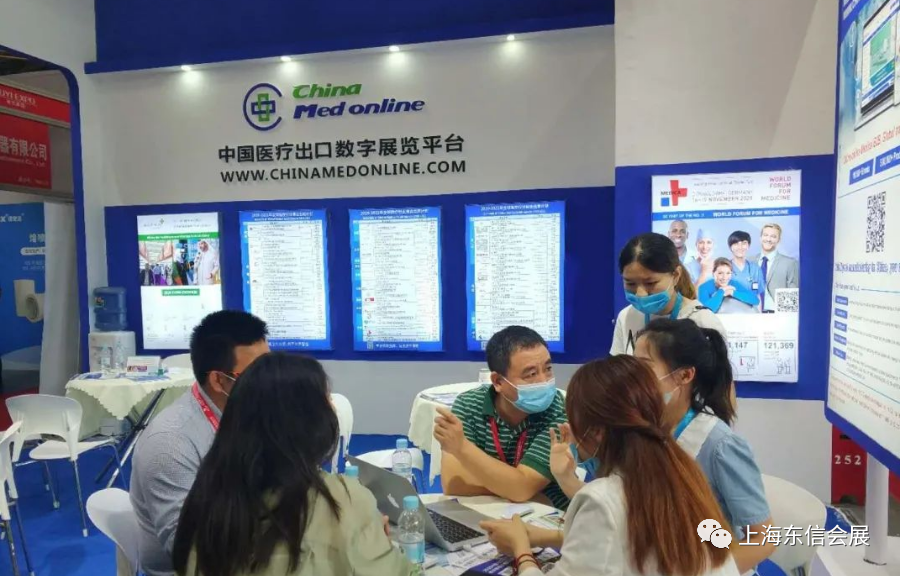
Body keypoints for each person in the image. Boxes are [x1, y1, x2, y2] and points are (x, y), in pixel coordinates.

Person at [480, 355, 739, 576]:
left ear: (596, 431)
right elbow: (629, 536)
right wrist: (546, 534)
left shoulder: (603, 498)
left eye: (573, 419)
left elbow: (612, 517)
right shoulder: (684, 474)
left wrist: (522, 551)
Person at [173, 353, 415, 576]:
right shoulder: (342, 501)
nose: (333, 408)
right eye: (327, 400)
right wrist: (375, 544)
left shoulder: (206, 499)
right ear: (310, 421)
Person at [131, 310, 270, 576]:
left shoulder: (248, 412)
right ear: (218, 380)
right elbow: (191, 551)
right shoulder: (170, 443)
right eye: (256, 373)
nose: (269, 380)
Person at [636, 319, 773, 572]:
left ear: (685, 376)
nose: (633, 379)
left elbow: (764, 539)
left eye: (644, 368)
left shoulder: (719, 445)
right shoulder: (646, 431)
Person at [434, 326, 570, 509]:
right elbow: (454, 484)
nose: (543, 380)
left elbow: (522, 488)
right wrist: (519, 490)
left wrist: (462, 448)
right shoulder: (468, 405)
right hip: (488, 512)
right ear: (498, 381)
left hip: (548, 515)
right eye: (531, 374)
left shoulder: (560, 411)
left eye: (548, 369)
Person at [611, 233, 725, 355]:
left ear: (675, 276)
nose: (640, 294)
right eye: (630, 283)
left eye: (650, 283)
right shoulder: (626, 317)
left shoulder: (703, 322)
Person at [755, 223, 799, 312]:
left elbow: (793, 293)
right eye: (765, 235)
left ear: (779, 240)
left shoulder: (790, 263)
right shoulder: (749, 261)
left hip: (777, 315)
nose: (768, 239)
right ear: (760, 238)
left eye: (773, 236)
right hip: (751, 314)